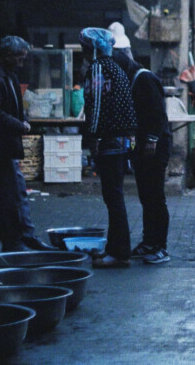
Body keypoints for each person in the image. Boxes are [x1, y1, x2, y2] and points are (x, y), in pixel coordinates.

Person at [0, 35, 54, 252]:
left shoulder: (7, 74)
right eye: (20, 58)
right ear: (7, 55)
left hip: (7, 146)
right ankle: (13, 243)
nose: (22, 62)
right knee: (6, 198)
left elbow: (14, 105)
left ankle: (26, 236)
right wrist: (19, 125)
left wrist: (22, 119)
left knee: (17, 194)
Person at [81, 28, 137, 268]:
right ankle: (115, 248)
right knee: (115, 196)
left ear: (91, 48)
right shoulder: (117, 68)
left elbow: (96, 107)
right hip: (120, 140)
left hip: (108, 141)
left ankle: (119, 251)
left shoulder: (98, 68)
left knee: (113, 197)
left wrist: (93, 137)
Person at [113, 49, 172, 265]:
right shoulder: (132, 81)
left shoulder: (145, 78)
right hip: (143, 147)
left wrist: (152, 139)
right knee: (146, 197)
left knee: (155, 197)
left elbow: (157, 113)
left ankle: (160, 246)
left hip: (155, 147)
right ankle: (149, 241)